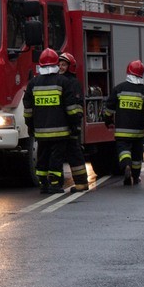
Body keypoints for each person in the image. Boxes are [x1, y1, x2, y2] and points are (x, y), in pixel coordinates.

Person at [23, 48, 83, 194]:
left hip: (41, 132)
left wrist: (30, 127)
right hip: (61, 132)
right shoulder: (63, 82)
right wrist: (74, 124)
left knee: (42, 157)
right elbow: (71, 108)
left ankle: (43, 184)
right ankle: (55, 184)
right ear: (56, 64)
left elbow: (28, 110)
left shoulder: (33, 83)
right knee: (56, 158)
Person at [103, 60, 144, 186]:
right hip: (138, 132)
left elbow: (109, 108)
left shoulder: (119, 89)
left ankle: (126, 166)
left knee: (123, 151)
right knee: (137, 155)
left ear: (128, 71)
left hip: (122, 131)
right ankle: (136, 176)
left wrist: (108, 121)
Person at [58, 52, 89, 192]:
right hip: (61, 124)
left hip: (71, 125)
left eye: (63, 64)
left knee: (74, 154)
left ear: (70, 67)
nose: (60, 67)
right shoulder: (58, 81)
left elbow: (77, 106)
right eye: (59, 64)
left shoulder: (73, 83)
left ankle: (82, 183)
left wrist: (76, 125)